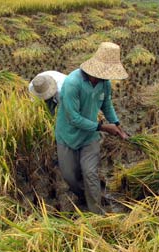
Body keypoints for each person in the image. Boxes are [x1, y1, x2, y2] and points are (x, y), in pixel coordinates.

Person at [55, 42, 128, 214]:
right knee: (70, 177)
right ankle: (82, 196)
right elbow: (73, 118)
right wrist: (103, 127)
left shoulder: (104, 83)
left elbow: (106, 104)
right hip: (68, 135)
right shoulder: (73, 83)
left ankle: (96, 212)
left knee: (90, 173)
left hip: (90, 136)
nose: (108, 77)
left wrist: (117, 125)